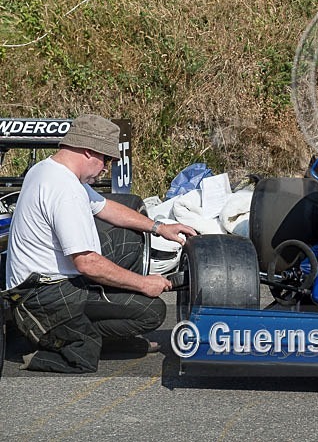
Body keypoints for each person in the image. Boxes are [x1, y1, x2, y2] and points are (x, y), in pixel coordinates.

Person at [3, 114, 197, 373]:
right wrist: (144, 283)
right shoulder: (65, 190)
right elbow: (87, 263)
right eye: (105, 159)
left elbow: (106, 208)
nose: (106, 167)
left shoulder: (49, 169)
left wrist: (160, 228)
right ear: (88, 151)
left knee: (129, 241)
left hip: (46, 280)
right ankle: (52, 342)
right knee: (152, 311)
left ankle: (87, 325)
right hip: (43, 296)